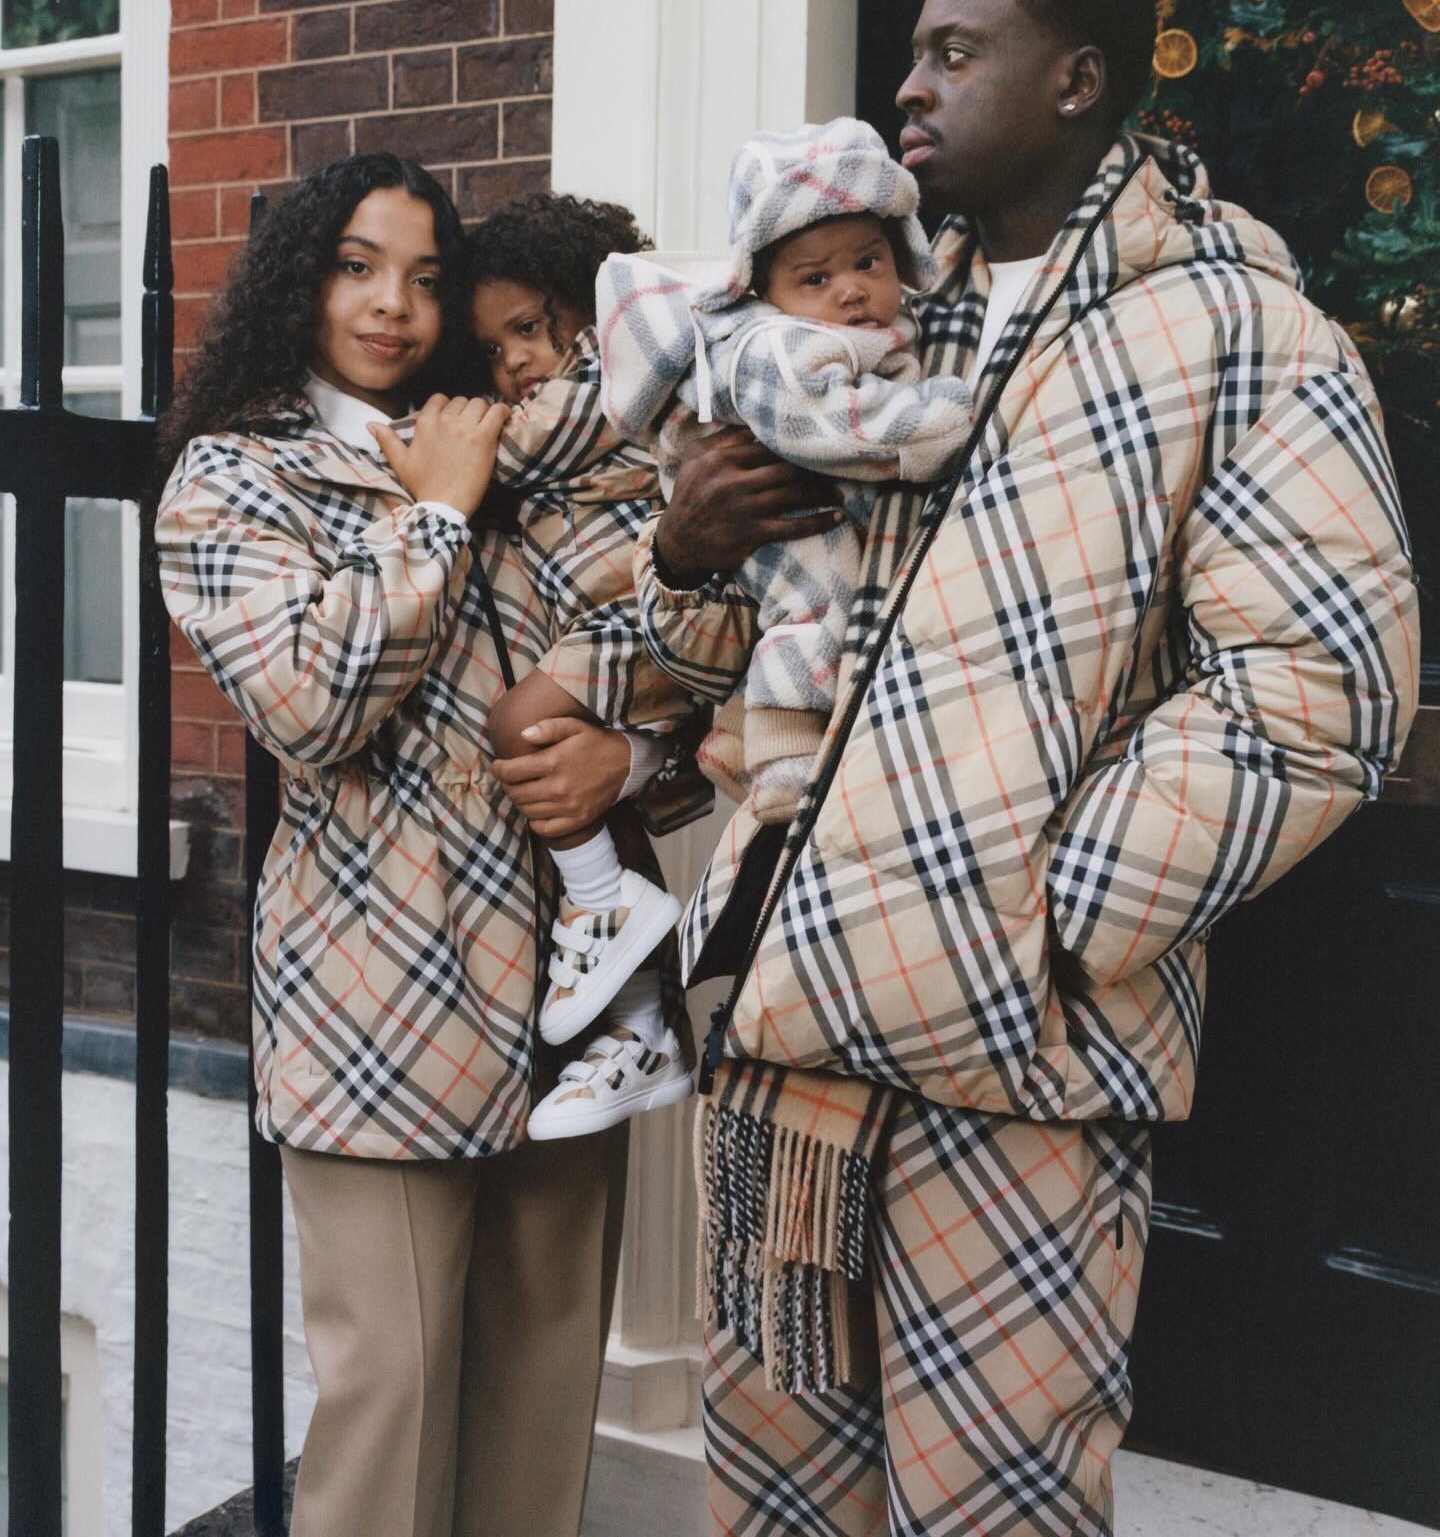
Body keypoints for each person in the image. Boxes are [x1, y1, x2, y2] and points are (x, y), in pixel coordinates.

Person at [637, 0, 1421, 1535]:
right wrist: (687, 552)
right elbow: (728, 658)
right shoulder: (860, 326)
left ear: (1079, 80)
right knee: (778, 1505)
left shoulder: (1238, 333)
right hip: (789, 1047)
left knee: (992, 1512)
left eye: (953, 50)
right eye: (913, 54)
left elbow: (1327, 681)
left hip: (1018, 1064)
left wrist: (1052, 917)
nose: (909, 86)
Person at [155, 154, 634, 1537]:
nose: (394, 305)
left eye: (428, 277)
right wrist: (433, 516)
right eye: (359, 266)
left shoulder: (504, 435)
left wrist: (633, 754)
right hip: (383, 1003)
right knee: (393, 1408)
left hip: (570, 979)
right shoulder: (231, 481)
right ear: (300, 281)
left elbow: (636, 652)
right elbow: (312, 709)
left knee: (546, 1395)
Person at [598, 117, 973, 825]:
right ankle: (786, 760)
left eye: (868, 263)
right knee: (818, 598)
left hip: (818, 501)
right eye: (816, 277)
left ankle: (741, 732)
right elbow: (835, 422)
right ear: (765, 288)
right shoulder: (773, 345)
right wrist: (937, 422)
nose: (851, 291)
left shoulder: (870, 330)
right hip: (777, 509)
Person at [455, 192, 701, 1140]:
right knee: (594, 803)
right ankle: (645, 1031)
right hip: (612, 625)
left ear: (586, 310)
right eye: (490, 349)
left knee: (521, 725)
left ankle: (606, 911)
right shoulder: (563, 382)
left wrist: (404, 444)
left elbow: (505, 448)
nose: (513, 363)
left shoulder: (609, 375)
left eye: (526, 330)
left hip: (643, 611)